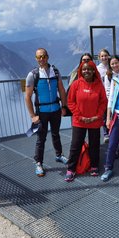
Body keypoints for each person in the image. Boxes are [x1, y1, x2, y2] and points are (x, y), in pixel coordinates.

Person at [24, 48, 68, 177]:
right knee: (41, 138)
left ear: (47, 57)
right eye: (39, 57)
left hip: (55, 109)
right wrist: (33, 116)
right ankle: (38, 163)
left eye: (43, 56)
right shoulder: (33, 75)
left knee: (56, 134)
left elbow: (61, 90)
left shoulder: (55, 71)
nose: (41, 59)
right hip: (41, 112)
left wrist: (64, 107)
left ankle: (59, 155)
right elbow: (27, 96)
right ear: (36, 59)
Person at [64, 61, 107, 181]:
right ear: (80, 71)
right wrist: (79, 116)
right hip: (79, 121)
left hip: (94, 120)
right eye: (84, 69)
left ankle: (94, 166)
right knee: (76, 145)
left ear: (94, 71)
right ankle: (71, 169)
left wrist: (97, 116)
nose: (86, 71)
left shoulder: (99, 85)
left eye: (89, 69)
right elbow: (70, 102)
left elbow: (103, 102)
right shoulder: (76, 84)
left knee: (94, 145)